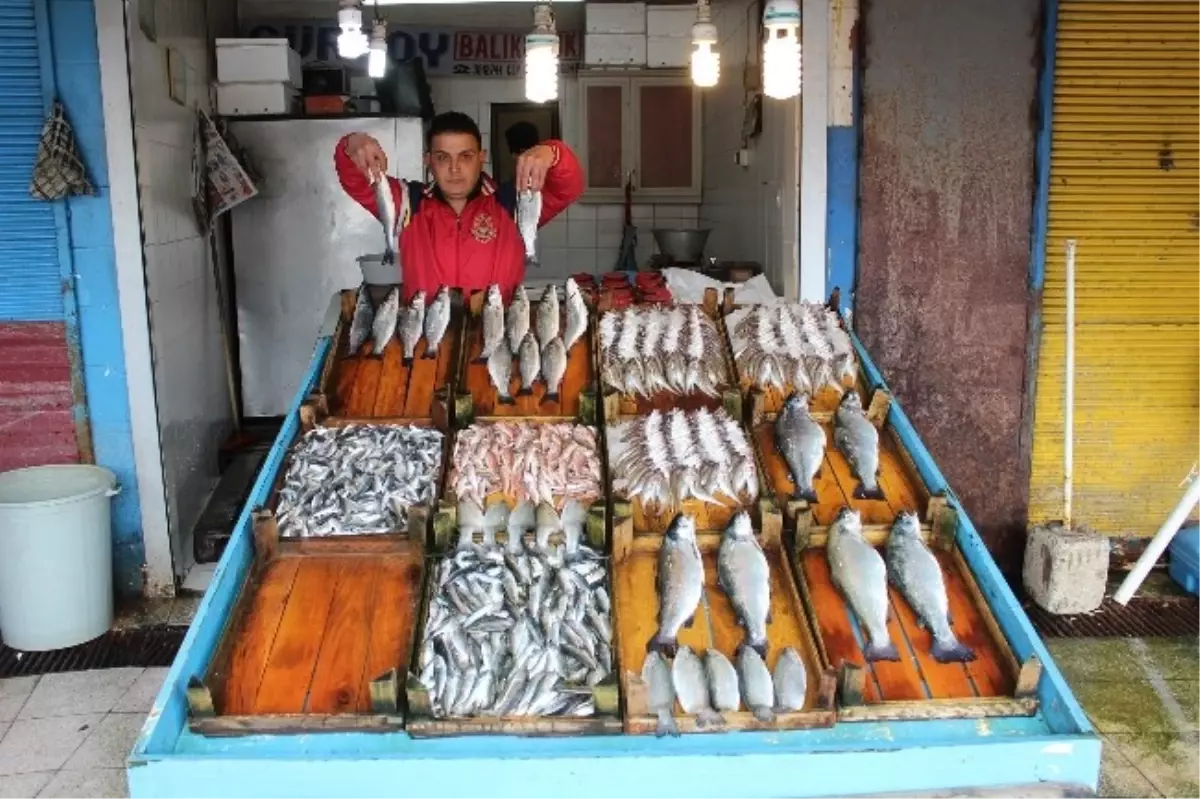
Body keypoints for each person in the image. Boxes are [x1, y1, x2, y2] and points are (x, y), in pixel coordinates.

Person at [335, 111, 583, 301]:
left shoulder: (513, 204)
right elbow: (355, 180)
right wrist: (352, 143)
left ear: (481, 157)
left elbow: (569, 187)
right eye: (443, 158)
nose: (455, 168)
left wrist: (553, 152)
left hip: (498, 342)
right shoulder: (407, 203)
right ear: (428, 161)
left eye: (465, 156)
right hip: (424, 344)